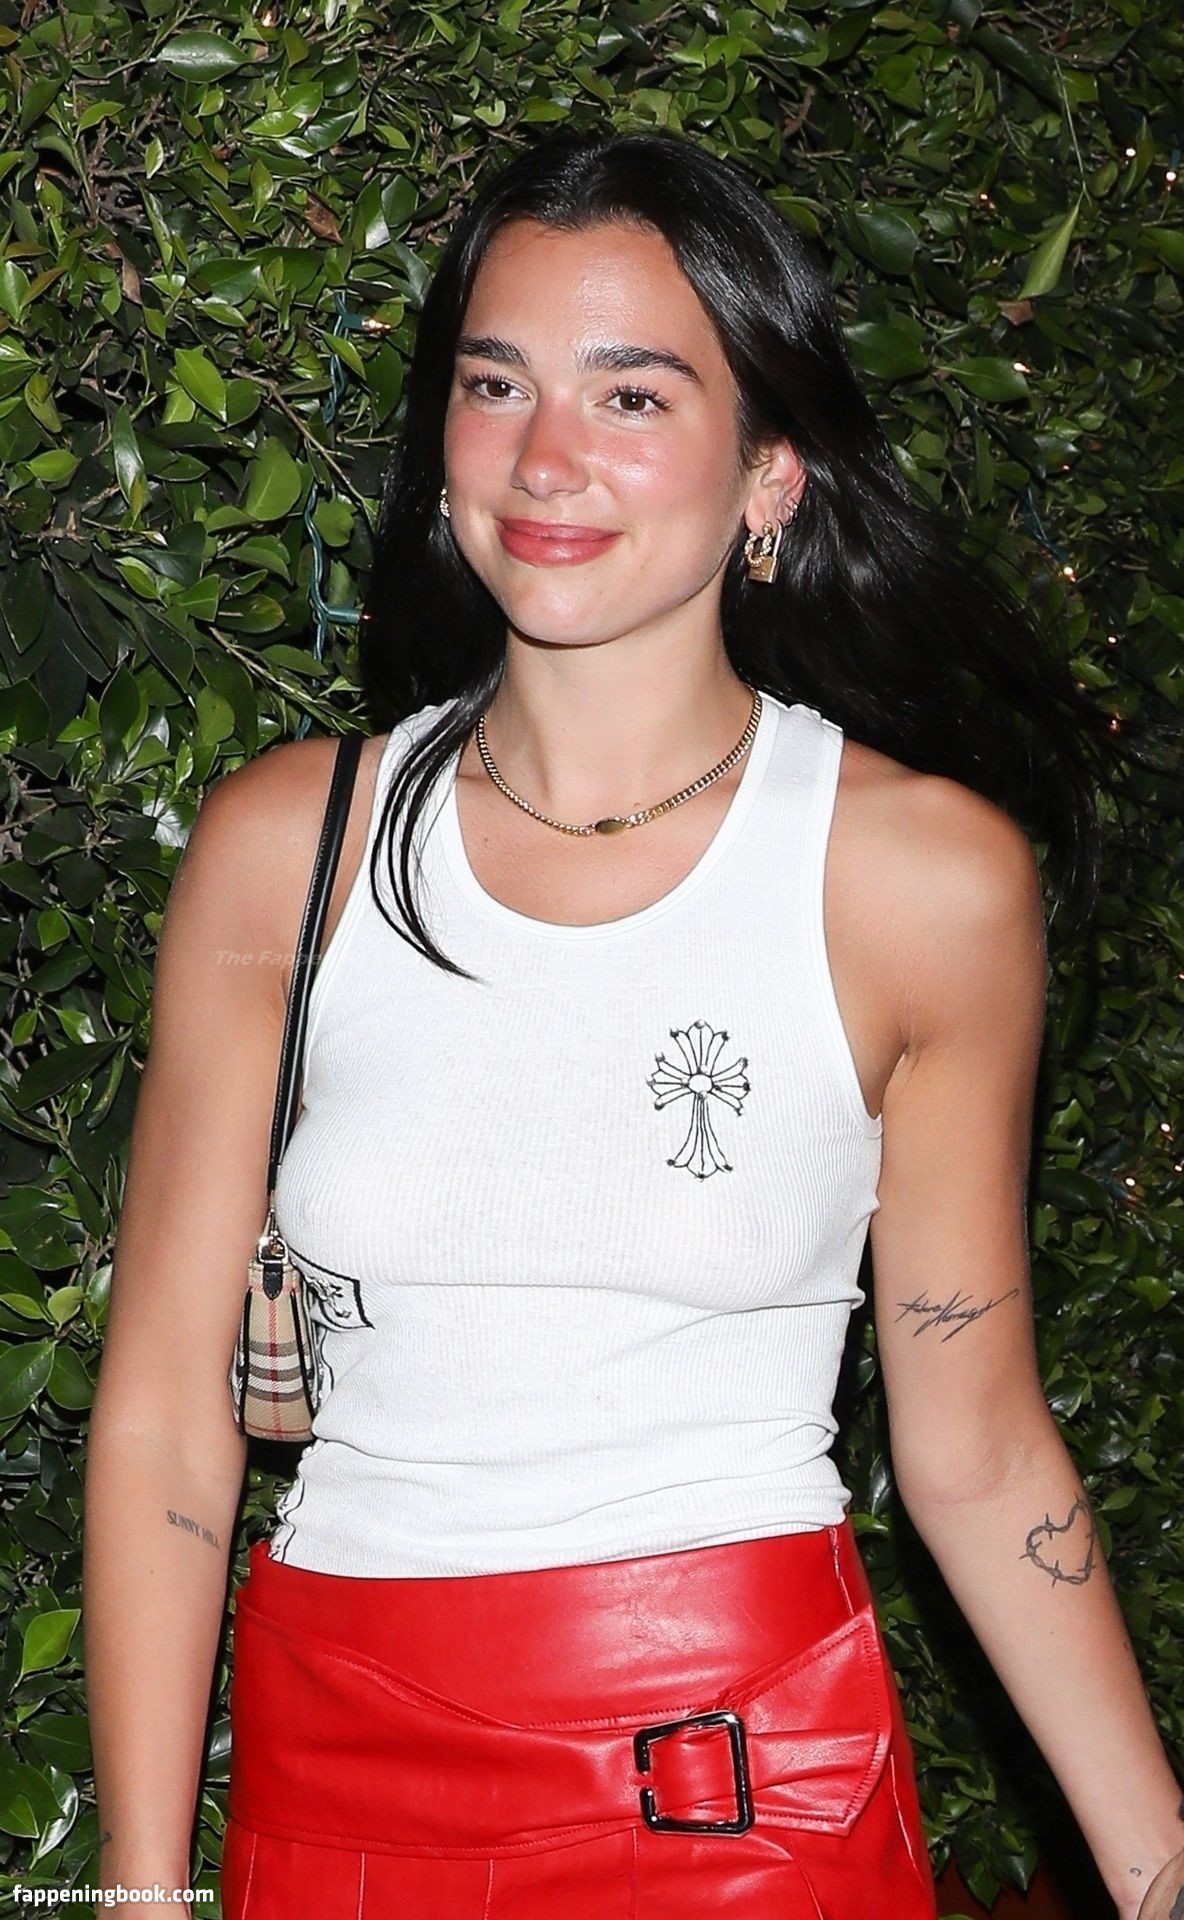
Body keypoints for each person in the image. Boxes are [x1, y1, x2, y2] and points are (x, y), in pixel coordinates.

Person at [83, 129, 1184, 1919]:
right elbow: (157, 1425)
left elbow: (975, 1451)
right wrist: (139, 1894)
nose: (545, 458)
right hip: (334, 1764)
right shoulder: (290, 846)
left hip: (738, 1780)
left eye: (633, 395)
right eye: (494, 382)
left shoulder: (916, 881)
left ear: (770, 475)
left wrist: (1156, 1866)